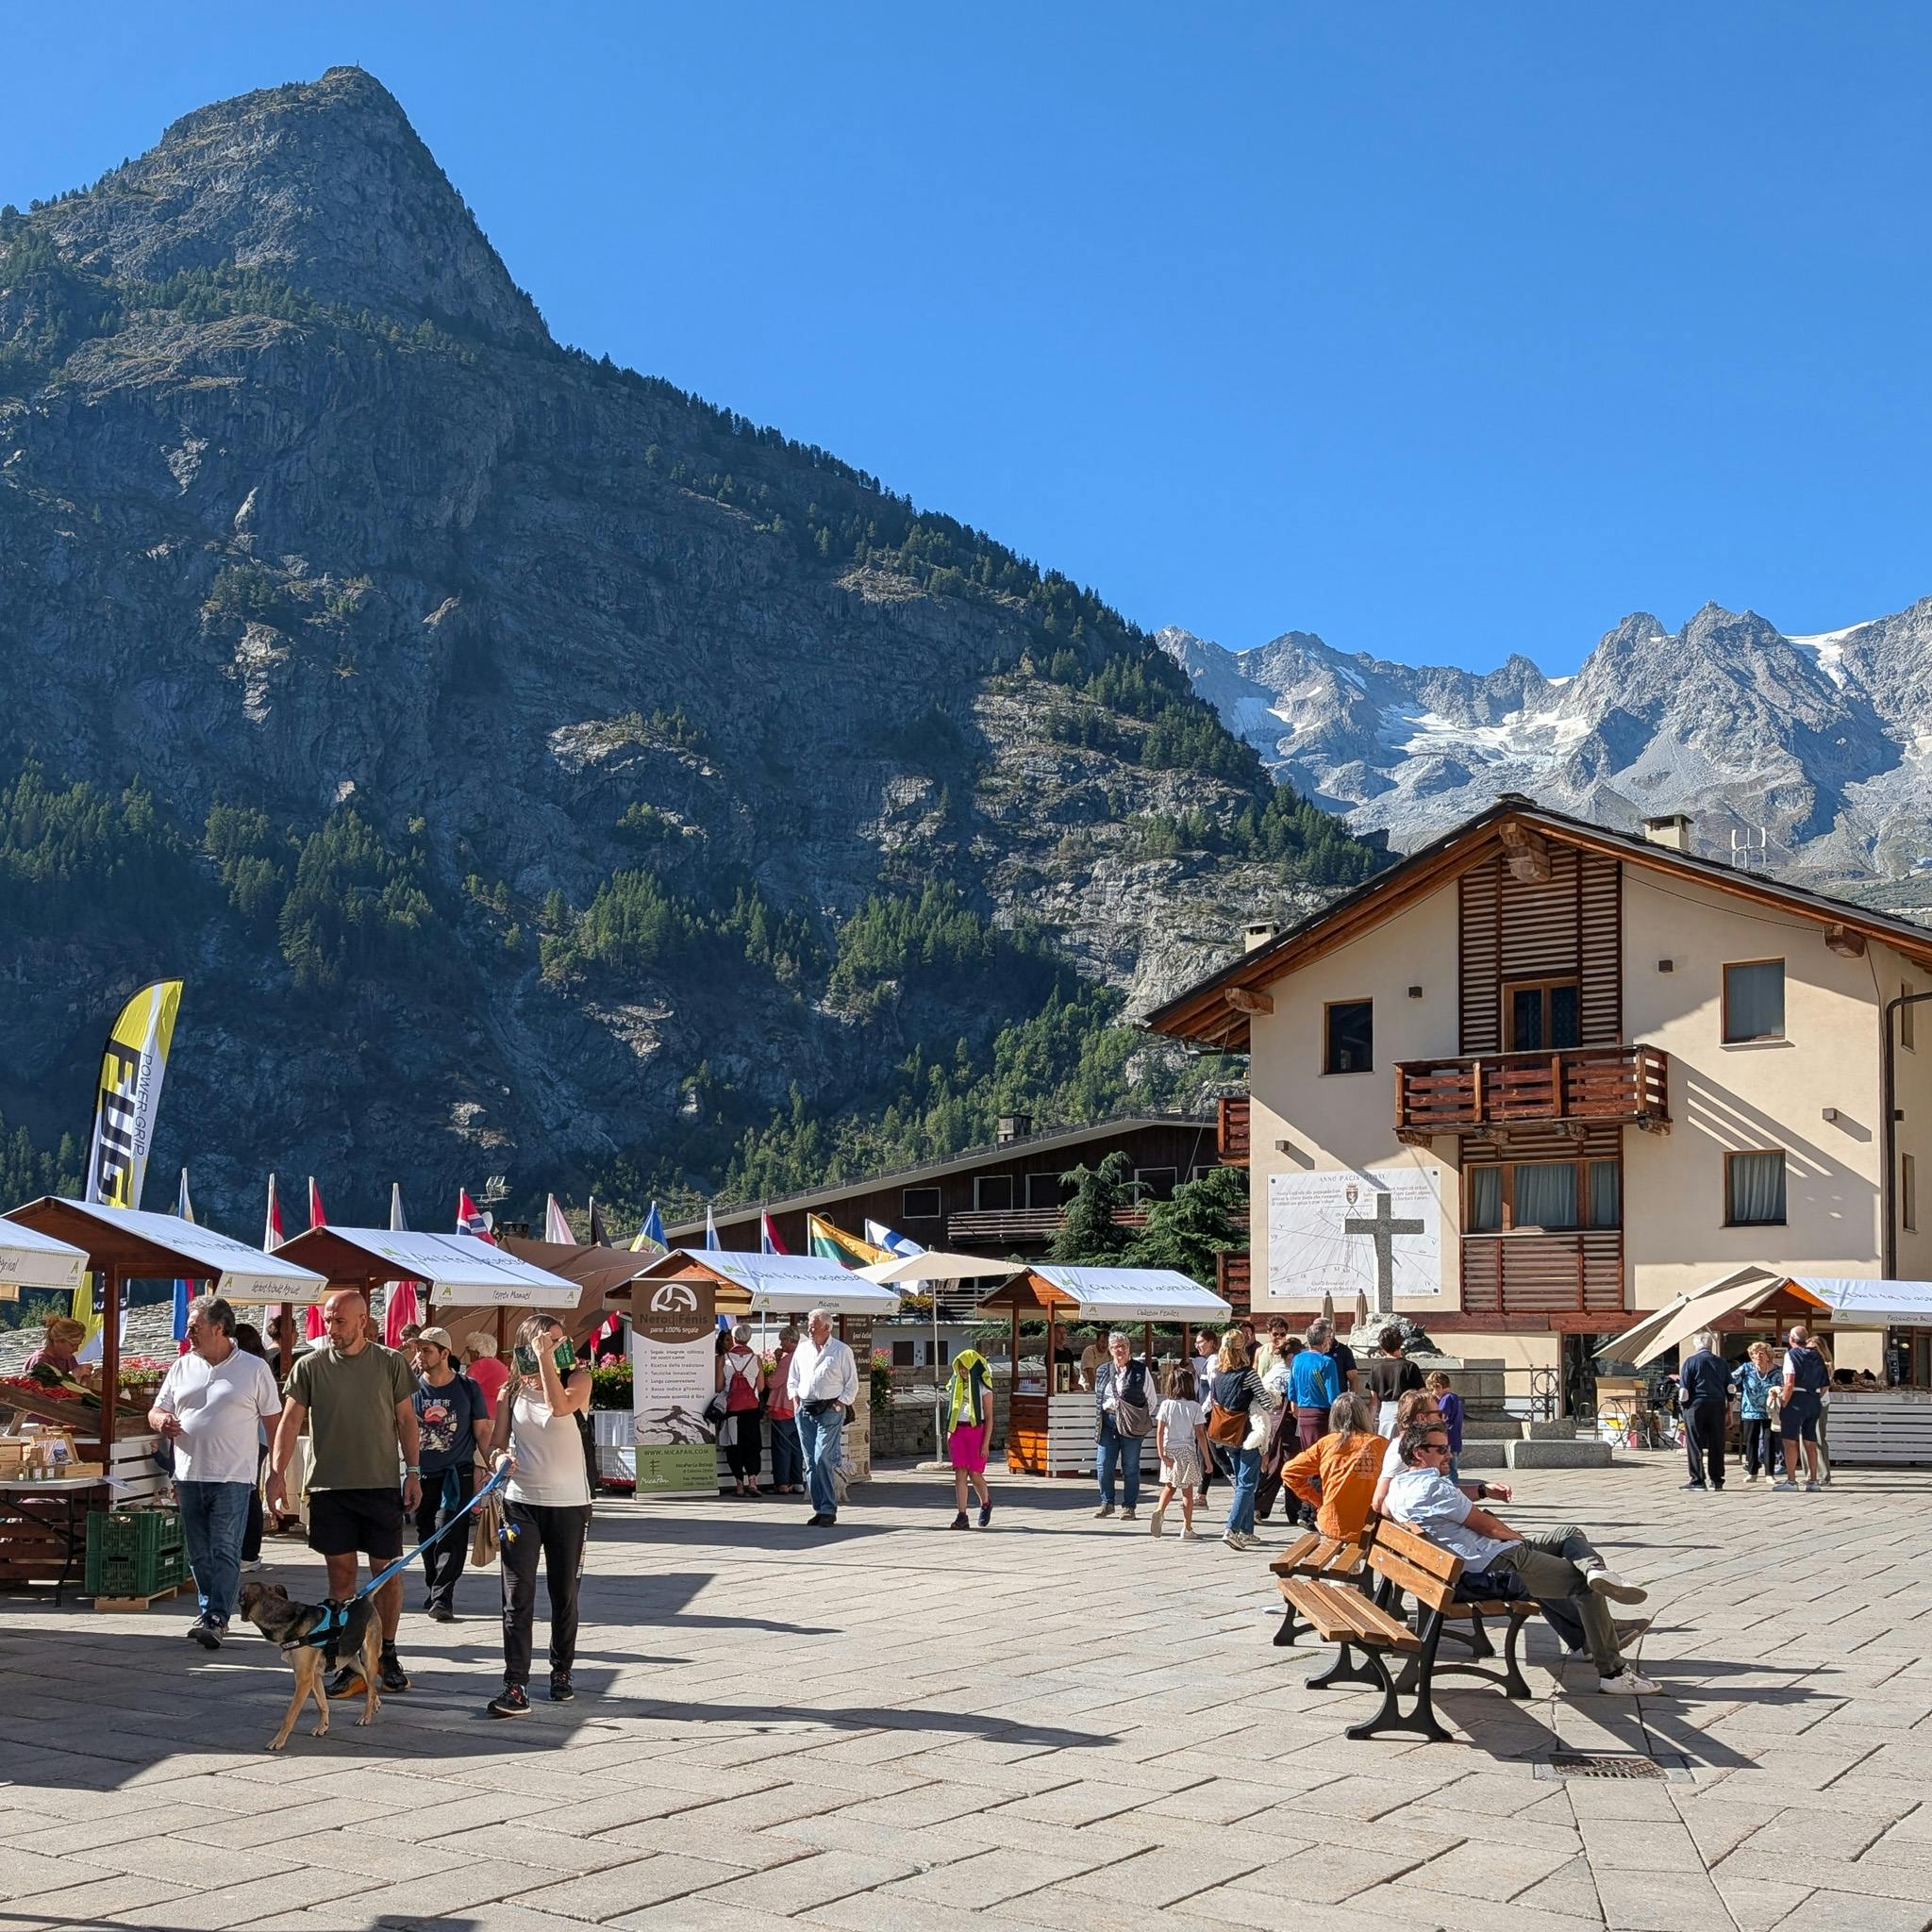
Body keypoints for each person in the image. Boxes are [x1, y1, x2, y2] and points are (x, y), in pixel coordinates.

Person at [1384, 1420, 1657, 1695]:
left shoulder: (1398, 1486)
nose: (1450, 1455)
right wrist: (1521, 1541)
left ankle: (1595, 1573)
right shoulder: (1434, 1488)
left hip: (1464, 1567)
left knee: (1567, 1535)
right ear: (1419, 1453)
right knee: (1583, 1585)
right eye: (1442, 1449)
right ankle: (1613, 1673)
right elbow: (1489, 1527)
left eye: (1449, 1448)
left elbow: (1387, 1509)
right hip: (1493, 1568)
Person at [267, 1289, 420, 1697]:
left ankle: (387, 1654)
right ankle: (349, 1658)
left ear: (362, 1321)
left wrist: (413, 1472)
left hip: (379, 1484)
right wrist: (276, 1473)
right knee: (341, 1575)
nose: (331, 1329)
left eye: (339, 1321)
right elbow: (290, 1421)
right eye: (328, 1320)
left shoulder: (390, 1362)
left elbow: (407, 1419)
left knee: (386, 1575)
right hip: (329, 1486)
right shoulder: (310, 1366)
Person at [149, 1296, 282, 1649]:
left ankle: (216, 1617)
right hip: (188, 1473)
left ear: (219, 1328)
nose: (188, 1334)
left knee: (224, 1547)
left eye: (194, 1327)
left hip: (233, 1476)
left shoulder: (254, 1368)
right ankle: (209, 1610)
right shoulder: (182, 1366)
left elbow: (274, 1422)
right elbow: (156, 1410)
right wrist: (161, 1421)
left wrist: (277, 1471)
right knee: (199, 1552)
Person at [485, 1314, 592, 1716]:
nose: (558, 1347)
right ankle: (515, 1685)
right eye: (548, 1342)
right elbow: (494, 1443)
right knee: (517, 1596)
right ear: (527, 1345)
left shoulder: (579, 1380)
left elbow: (559, 1407)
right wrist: (499, 1458)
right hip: (521, 1500)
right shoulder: (510, 1392)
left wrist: (546, 1359)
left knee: (564, 1594)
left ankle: (561, 1670)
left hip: (569, 1503)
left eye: (560, 1342)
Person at [409, 1325, 492, 1622]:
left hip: (457, 1473)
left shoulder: (468, 1387)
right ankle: (434, 1585)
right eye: (418, 1350)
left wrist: (490, 1465)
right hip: (421, 1474)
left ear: (444, 1353)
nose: (419, 1355)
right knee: (426, 1534)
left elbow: (482, 1430)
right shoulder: (409, 1388)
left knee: (450, 1532)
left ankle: (443, 1597)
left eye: (426, 1350)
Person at [1207, 1328, 1279, 1551]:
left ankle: (1247, 1531)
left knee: (1241, 1483)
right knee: (1247, 1484)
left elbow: (1215, 1400)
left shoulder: (1217, 1373)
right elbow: (1267, 1403)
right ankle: (1231, 1528)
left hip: (1226, 1433)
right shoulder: (1248, 1374)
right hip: (1248, 1433)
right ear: (1243, 1349)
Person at [787, 1307, 858, 1527]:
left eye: (813, 1325)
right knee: (810, 1461)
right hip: (805, 1409)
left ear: (827, 1327)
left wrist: (840, 1403)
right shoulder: (802, 1349)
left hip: (829, 1410)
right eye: (809, 1324)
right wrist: (795, 1400)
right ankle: (819, 1508)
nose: (809, 1329)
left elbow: (852, 1383)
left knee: (821, 1458)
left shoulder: (841, 1350)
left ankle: (828, 1508)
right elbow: (793, 1378)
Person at [1281, 1393, 1385, 1541]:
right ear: (1364, 1416)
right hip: (1371, 1526)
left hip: (1333, 1524)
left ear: (1334, 1417)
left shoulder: (1326, 1443)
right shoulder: (1380, 1444)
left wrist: (1318, 1500)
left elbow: (1289, 1472)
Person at [1092, 1331, 1158, 1522]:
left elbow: (1151, 1400)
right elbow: (1099, 1397)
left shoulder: (1141, 1370)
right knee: (1103, 1465)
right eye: (1116, 1347)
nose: (1120, 1350)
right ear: (1110, 1350)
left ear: (1129, 1348)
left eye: (1123, 1346)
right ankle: (1107, 1502)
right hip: (1108, 1422)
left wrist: (1136, 1417)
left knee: (1130, 1467)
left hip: (1131, 1424)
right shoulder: (1102, 1370)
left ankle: (1129, 1506)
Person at [1150, 1363, 1209, 1540]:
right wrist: (1207, 1460)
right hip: (1187, 1451)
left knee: (1170, 1485)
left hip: (1170, 1450)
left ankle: (1160, 1510)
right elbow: (1200, 1434)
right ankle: (1187, 1527)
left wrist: (1161, 1454)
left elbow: (1160, 1431)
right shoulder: (1194, 1406)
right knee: (1187, 1491)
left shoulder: (1166, 1405)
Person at [233, 1322, 274, 1571]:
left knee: (248, 1492)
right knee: (249, 1491)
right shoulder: (259, 1363)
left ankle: (249, 1553)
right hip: (257, 1438)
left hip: (253, 1437)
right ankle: (248, 1552)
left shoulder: (252, 1367)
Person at [1774, 1324, 1829, 1491]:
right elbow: (1825, 1384)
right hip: (1813, 1399)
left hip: (1796, 1399)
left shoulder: (1791, 1354)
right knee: (1810, 1441)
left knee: (1789, 1441)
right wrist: (1814, 1397)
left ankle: (1791, 1481)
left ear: (1791, 1339)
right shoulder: (1817, 1355)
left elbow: (1789, 1382)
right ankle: (1813, 1481)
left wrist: (1783, 1402)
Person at [944, 1346, 994, 1529]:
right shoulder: (955, 1385)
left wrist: (985, 1443)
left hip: (976, 1431)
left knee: (975, 1473)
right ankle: (962, 1515)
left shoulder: (983, 1387)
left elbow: (989, 1417)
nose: (963, 1371)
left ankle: (986, 1502)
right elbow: (952, 1412)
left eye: (966, 1367)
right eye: (960, 1367)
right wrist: (949, 1434)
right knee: (960, 1472)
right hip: (958, 1430)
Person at [716, 1323, 766, 1497]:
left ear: (734, 1338)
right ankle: (753, 1482)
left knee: (734, 1446)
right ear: (749, 1338)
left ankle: (739, 1486)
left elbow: (719, 1386)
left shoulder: (724, 1359)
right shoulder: (756, 1359)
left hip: (732, 1410)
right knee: (753, 1446)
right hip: (751, 1409)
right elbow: (761, 1387)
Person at [1678, 1329, 1730, 1492]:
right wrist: (1729, 1407)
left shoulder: (1690, 1362)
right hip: (1717, 1404)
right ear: (1710, 1345)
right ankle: (1717, 1480)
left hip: (1696, 1404)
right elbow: (1730, 1388)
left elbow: (1684, 1391)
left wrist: (1683, 1406)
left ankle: (1698, 1480)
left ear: (1696, 1345)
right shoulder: (1722, 1363)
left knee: (1695, 1442)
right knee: (1717, 1442)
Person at [1289, 1320, 1343, 1453]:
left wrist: (1295, 1406)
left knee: (1308, 1454)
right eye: (1329, 1337)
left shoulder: (1297, 1359)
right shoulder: (1327, 1362)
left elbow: (1292, 1388)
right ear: (1324, 1341)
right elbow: (1333, 1395)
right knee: (1323, 1455)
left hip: (1302, 1413)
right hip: (1322, 1414)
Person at [1364, 1324, 1424, 1439]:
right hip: (1406, 1411)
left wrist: (1368, 1425)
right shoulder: (1410, 1367)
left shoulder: (1376, 1368)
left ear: (1382, 1346)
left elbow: (1373, 1402)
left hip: (1385, 1413)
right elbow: (1422, 1395)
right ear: (1400, 1344)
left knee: (1386, 1445)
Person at [1731, 1341, 1778, 1485]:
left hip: (1770, 1411)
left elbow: (1782, 1386)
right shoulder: (1746, 1368)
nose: (1757, 1356)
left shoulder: (1777, 1371)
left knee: (1769, 1440)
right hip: (1750, 1411)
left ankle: (1770, 1473)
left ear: (1768, 1355)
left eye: (1761, 1353)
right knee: (1751, 1441)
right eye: (1754, 1354)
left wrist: (1777, 1392)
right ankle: (1752, 1472)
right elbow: (1731, 1379)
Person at [767, 1325, 803, 1495]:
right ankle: (798, 1482)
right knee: (797, 1446)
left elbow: (773, 1382)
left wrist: (764, 1375)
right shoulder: (804, 1356)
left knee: (781, 1447)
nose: (781, 1344)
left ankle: (782, 1483)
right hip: (799, 1408)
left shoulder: (788, 1360)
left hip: (782, 1407)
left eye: (782, 1340)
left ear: (788, 1340)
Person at [461, 1333, 511, 1421]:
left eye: (469, 1350)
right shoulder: (501, 1365)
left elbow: (464, 1389)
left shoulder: (479, 1365)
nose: (468, 1353)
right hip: (500, 1412)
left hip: (483, 1413)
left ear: (477, 1353)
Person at [1426, 1370, 1464, 1482]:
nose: (1433, 1393)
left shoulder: (1446, 1399)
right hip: (1455, 1438)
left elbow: (1440, 1417)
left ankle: (1450, 1486)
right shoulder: (1456, 1398)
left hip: (1447, 1438)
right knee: (1453, 1467)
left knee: (1447, 1468)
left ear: (1438, 1387)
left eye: (1433, 1389)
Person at [24, 1315, 87, 1380]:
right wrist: (73, 1375)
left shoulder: (70, 1359)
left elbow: (76, 1384)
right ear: (57, 1340)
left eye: (78, 1345)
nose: (76, 1349)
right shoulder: (40, 1361)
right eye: (73, 1345)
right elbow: (42, 1385)